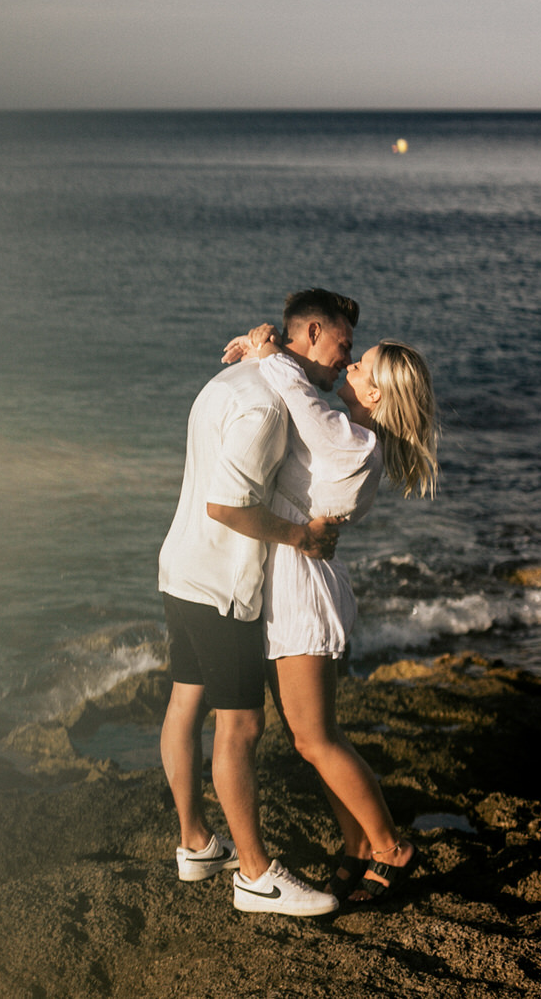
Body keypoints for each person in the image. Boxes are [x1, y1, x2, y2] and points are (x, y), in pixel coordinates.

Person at [219, 321, 438, 903]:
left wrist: (267, 351)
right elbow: (302, 392)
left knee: (316, 740)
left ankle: (390, 846)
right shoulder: (345, 431)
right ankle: (357, 846)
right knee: (313, 735)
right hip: (290, 580)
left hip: (302, 592)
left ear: (376, 396)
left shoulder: (354, 443)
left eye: (361, 368)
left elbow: (296, 393)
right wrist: (258, 356)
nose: (350, 369)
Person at [156, 289, 357, 917]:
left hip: (180, 566)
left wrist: (265, 350)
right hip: (223, 586)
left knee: (185, 703)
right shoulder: (269, 406)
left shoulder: (239, 377)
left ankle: (195, 844)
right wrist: (302, 536)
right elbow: (228, 504)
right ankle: (256, 876)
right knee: (240, 726)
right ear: (316, 332)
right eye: (344, 346)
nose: (345, 363)